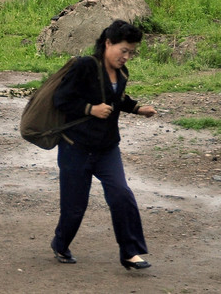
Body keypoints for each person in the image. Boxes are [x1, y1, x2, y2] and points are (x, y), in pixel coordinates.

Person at [50, 19, 157, 270]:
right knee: (74, 208)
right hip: (75, 147)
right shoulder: (86, 66)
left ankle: (130, 253)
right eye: (124, 50)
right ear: (108, 43)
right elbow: (61, 99)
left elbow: (116, 99)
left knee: (122, 195)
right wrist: (90, 109)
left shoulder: (121, 73)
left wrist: (137, 109)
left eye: (131, 52)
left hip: (107, 149)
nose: (127, 56)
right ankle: (60, 244)